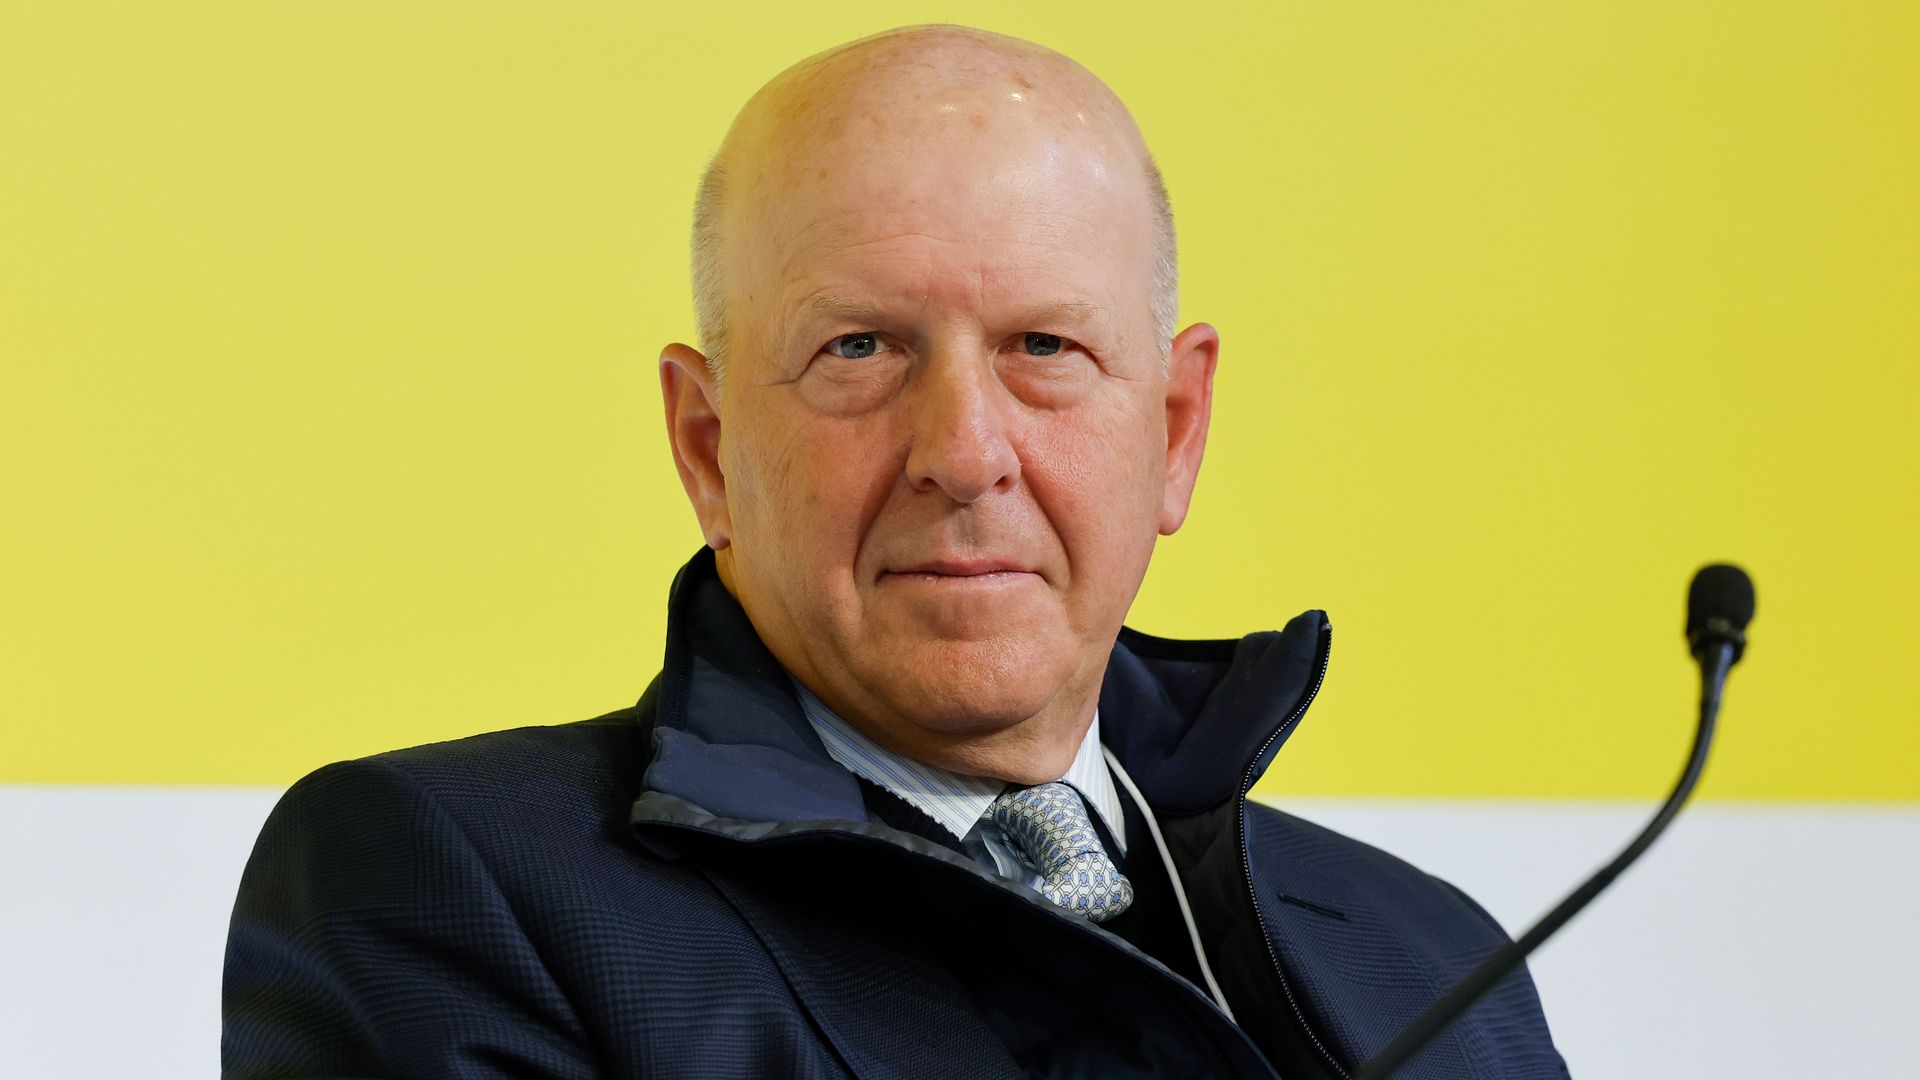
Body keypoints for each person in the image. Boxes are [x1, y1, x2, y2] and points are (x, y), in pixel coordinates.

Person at [224, 24, 1568, 1080]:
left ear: (1175, 431)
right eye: (859, 348)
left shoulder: (1433, 959)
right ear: (707, 447)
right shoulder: (458, 886)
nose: (963, 452)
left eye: (1045, 346)